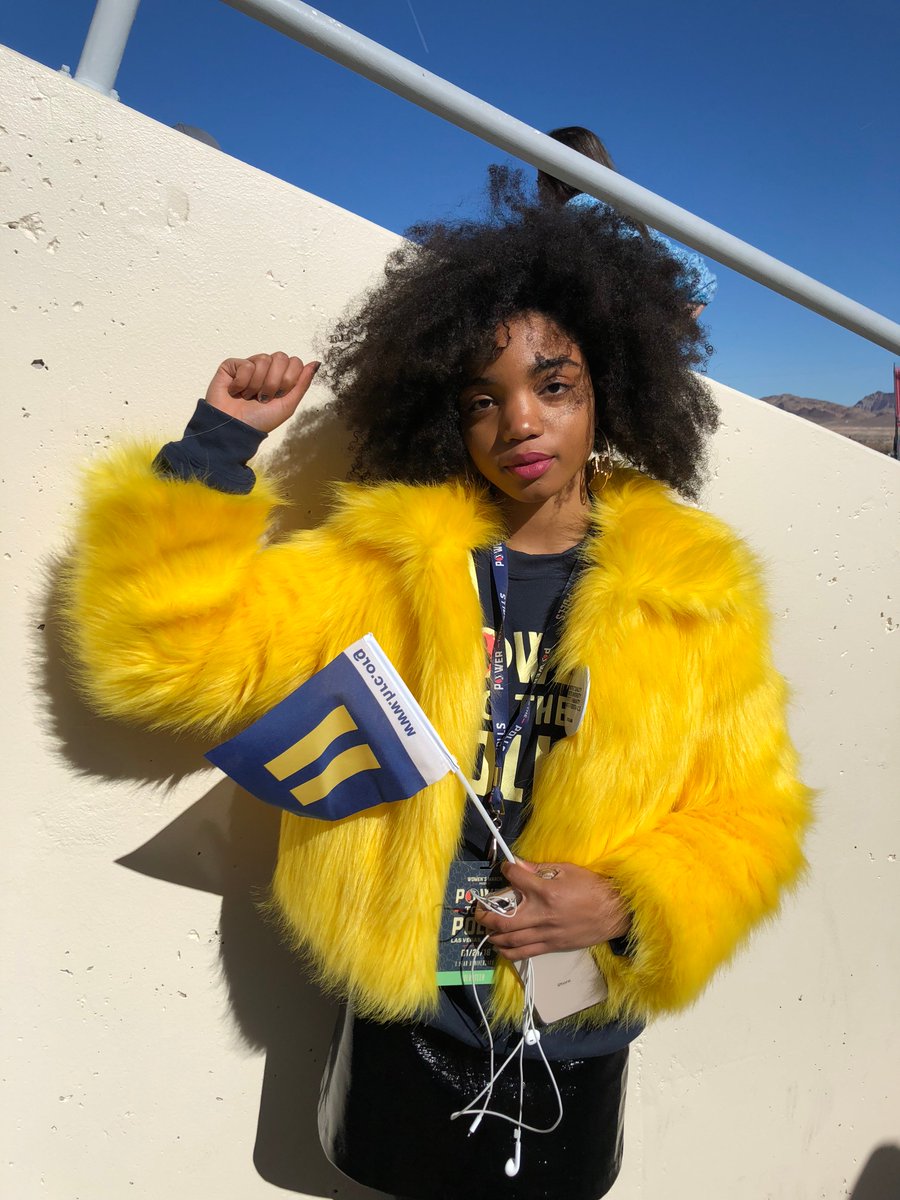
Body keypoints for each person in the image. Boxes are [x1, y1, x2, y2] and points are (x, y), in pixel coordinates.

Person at [63, 184, 809, 1200]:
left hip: (573, 1027)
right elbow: (164, 655)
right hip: (407, 1015)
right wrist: (215, 448)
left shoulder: (694, 594)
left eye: (555, 384)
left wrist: (628, 903)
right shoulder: (386, 563)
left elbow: (752, 815)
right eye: (482, 399)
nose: (520, 422)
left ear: (612, 391)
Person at [537, 125, 719, 314]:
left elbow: (698, 280)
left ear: (560, 177)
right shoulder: (624, 212)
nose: (538, 190)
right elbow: (701, 281)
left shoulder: (582, 208)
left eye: (541, 180)